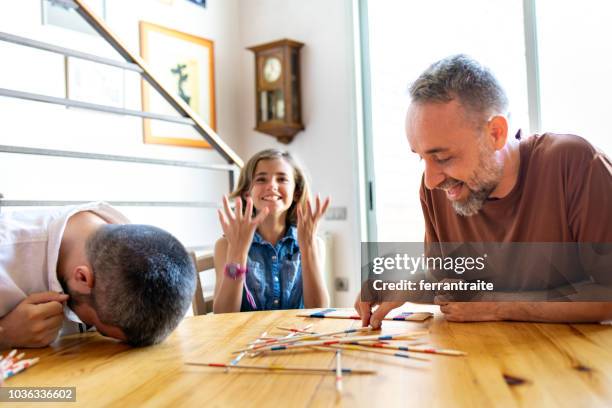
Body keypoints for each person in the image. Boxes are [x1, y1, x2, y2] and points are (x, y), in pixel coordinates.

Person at [355, 54, 612, 328]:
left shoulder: (574, 164)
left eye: (442, 157)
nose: (430, 180)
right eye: (421, 157)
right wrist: (402, 284)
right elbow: (451, 283)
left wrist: (499, 306)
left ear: (496, 133)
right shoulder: (439, 189)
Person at [0, 202, 196, 348]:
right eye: (99, 328)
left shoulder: (132, 255)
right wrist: (5, 333)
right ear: (83, 278)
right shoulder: (6, 253)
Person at [213, 149, 330, 313]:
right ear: (248, 192)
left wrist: (308, 247)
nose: (271, 186)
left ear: (296, 192)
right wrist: (237, 253)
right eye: (261, 179)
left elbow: (319, 310)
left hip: (297, 337)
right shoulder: (225, 245)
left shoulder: (315, 244)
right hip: (247, 338)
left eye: (282, 179)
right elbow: (222, 315)